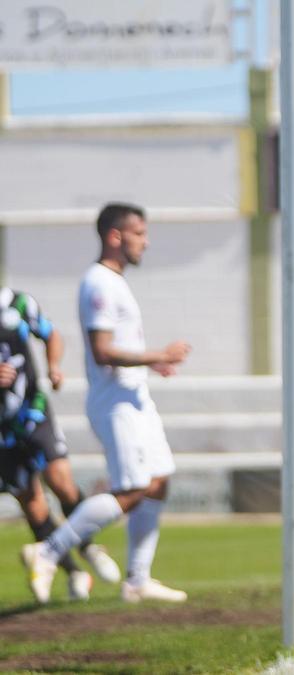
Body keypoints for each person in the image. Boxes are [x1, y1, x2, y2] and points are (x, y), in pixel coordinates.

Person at [21, 202, 191, 604]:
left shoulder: (114, 281)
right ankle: (47, 551)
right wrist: (159, 356)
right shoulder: (98, 282)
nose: (145, 243)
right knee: (131, 490)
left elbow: (120, 348)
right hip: (115, 403)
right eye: (140, 234)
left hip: (134, 397)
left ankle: (137, 580)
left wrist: (152, 367)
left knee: (159, 481)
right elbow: (102, 351)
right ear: (116, 236)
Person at [0, 287, 121, 602]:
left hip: (33, 412)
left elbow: (51, 335)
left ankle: (89, 546)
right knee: (31, 500)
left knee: (61, 481)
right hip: (2, 433)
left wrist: (54, 366)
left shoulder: (18, 303)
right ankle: (74, 571)